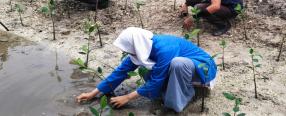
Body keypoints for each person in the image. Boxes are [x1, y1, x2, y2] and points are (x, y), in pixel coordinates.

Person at [76, 27, 217, 113]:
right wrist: (93, 93)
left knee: (177, 63)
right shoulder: (141, 48)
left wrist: (127, 97)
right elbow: (120, 72)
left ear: (135, 45)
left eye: (129, 50)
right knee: (149, 70)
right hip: (185, 72)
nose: (129, 53)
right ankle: (170, 94)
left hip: (202, 69)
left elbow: (157, 80)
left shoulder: (164, 48)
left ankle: (177, 105)